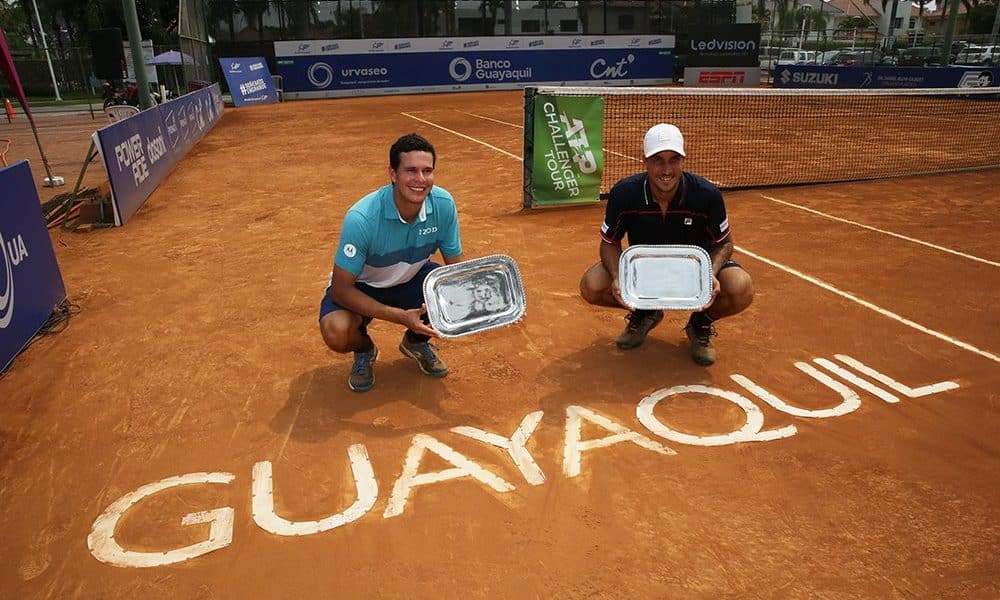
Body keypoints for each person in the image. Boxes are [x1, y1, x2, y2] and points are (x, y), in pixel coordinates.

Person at [579, 123, 754, 366]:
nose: (666, 169)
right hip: (645, 270)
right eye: (658, 160)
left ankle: (700, 323)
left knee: (741, 288)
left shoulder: (707, 194)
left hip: (694, 272)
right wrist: (618, 277)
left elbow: (724, 243)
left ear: (683, 160)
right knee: (592, 286)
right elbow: (609, 243)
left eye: (674, 159)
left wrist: (709, 274)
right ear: (644, 161)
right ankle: (645, 312)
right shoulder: (623, 193)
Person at [320, 133, 464, 392]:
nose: (420, 180)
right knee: (337, 332)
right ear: (393, 174)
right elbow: (342, 290)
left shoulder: (443, 205)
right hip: (362, 286)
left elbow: (457, 273)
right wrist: (400, 317)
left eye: (427, 171)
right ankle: (364, 349)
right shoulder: (362, 218)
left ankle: (416, 341)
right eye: (411, 170)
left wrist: (489, 310)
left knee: (451, 295)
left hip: (411, 279)